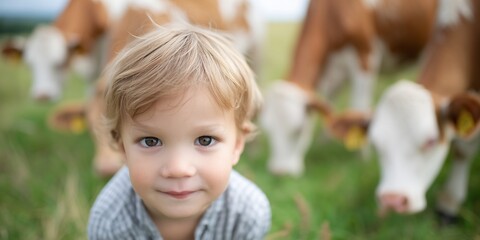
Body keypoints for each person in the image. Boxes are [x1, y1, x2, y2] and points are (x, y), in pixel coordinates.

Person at [87, 24, 271, 240]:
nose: (178, 169)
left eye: (205, 140)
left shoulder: (248, 213)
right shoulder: (110, 223)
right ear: (122, 148)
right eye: (150, 141)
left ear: (237, 145)